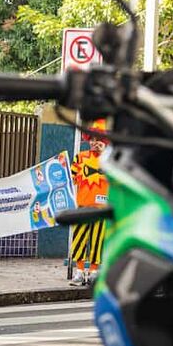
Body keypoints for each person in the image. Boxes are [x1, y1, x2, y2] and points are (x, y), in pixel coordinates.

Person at [70, 122, 109, 286]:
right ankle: (79, 272)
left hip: (102, 208)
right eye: (92, 139)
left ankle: (94, 272)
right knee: (79, 239)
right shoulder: (80, 157)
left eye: (99, 139)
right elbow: (72, 176)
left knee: (98, 240)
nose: (95, 142)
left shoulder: (110, 160)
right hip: (83, 206)